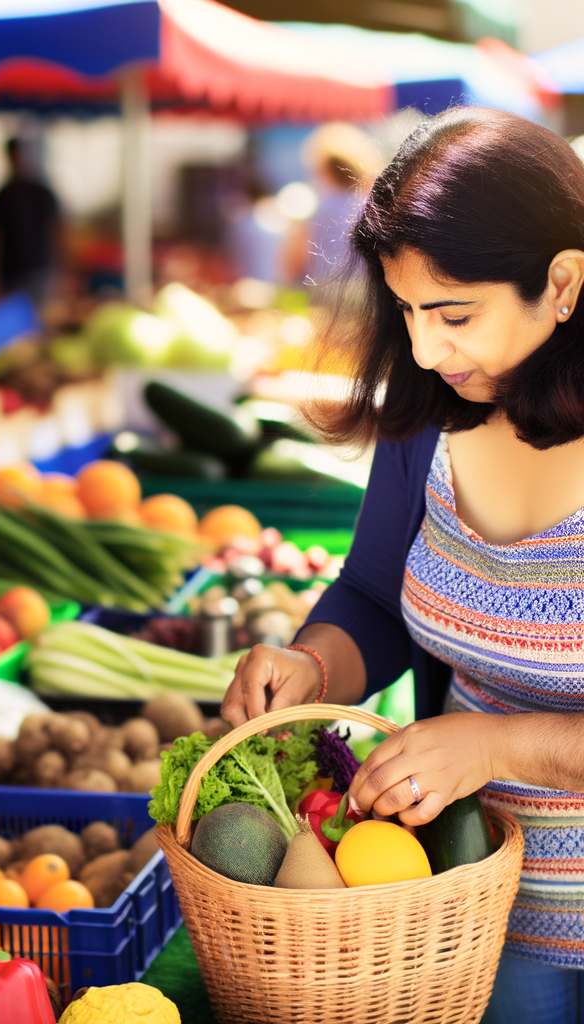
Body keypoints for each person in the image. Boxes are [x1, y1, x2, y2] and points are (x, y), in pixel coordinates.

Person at [222, 107, 584, 1023]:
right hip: (472, 917)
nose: (425, 348)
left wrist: (499, 745)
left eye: (455, 313)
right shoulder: (428, 417)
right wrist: (314, 663)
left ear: (564, 283)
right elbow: (377, 595)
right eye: (409, 310)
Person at [280, 122, 380, 289]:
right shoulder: (373, 208)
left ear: (325, 169)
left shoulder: (318, 210)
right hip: (368, 293)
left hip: (327, 294)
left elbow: (295, 260)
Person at [0, 137, 60, 305]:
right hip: (25, 268)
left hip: (30, 268)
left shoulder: (7, 193)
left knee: (24, 321)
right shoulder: (7, 193)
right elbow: (58, 230)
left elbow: (57, 230)